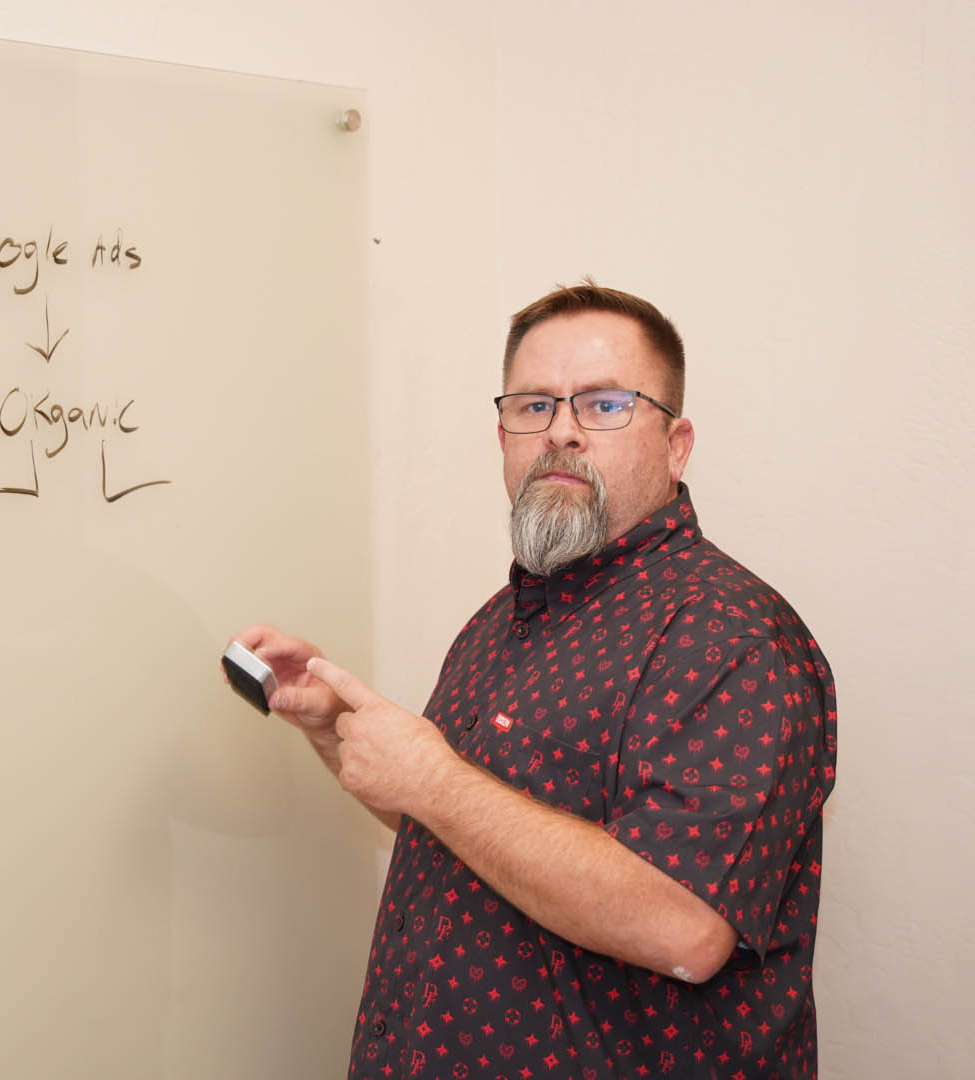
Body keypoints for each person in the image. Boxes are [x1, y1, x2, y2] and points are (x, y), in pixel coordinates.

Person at [230, 282, 837, 1080]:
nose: (562, 434)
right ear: (504, 433)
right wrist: (336, 727)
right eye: (534, 406)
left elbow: (684, 926)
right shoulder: (500, 619)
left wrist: (435, 778)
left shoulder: (734, 637)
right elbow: (474, 825)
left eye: (605, 405)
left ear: (676, 443)